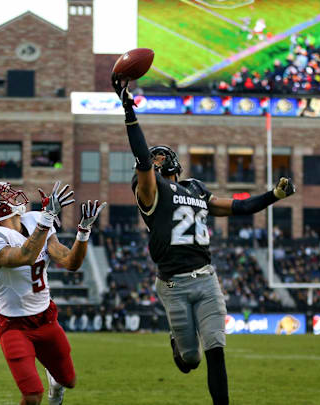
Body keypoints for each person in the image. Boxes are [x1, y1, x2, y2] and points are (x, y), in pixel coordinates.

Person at [112, 75, 296, 405]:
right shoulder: (150, 191)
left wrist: (274, 195)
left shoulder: (196, 188)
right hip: (173, 285)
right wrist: (128, 110)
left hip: (206, 279)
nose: (152, 162)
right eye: (150, 161)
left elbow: (238, 207)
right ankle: (178, 346)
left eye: (157, 159)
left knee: (216, 348)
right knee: (190, 361)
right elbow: (141, 158)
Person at [0, 180, 105, 405]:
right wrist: (47, 219)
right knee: (32, 395)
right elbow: (23, 257)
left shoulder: (33, 220)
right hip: (14, 325)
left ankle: (56, 384)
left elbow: (70, 262)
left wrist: (83, 231)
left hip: (46, 317)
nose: (13, 197)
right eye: (5, 196)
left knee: (69, 381)